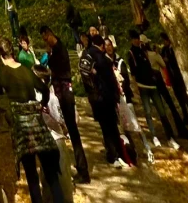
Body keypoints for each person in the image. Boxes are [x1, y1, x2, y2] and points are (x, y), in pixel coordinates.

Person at [0, 39, 63, 203]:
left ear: (0, 55)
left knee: (32, 176)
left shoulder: (3, 72)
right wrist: (42, 104)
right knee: (51, 173)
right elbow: (44, 89)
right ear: (12, 52)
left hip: (22, 129)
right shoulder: (25, 70)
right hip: (37, 124)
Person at [40, 27, 89, 183]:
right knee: (71, 132)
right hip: (62, 93)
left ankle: (83, 171)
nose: (45, 41)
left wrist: (48, 54)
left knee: (73, 133)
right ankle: (81, 167)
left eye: (45, 38)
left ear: (50, 34)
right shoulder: (57, 48)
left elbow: (57, 70)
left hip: (65, 94)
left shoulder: (59, 50)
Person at [80, 31, 126, 167]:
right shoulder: (104, 59)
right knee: (113, 127)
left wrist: (93, 94)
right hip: (108, 98)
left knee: (105, 128)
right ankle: (120, 154)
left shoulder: (87, 57)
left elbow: (85, 77)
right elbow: (111, 80)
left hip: (97, 99)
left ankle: (113, 156)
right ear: (102, 46)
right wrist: (115, 96)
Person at [127, 31, 179, 149]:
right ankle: (154, 136)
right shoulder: (131, 53)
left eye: (137, 39)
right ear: (131, 40)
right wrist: (135, 88)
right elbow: (133, 72)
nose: (136, 41)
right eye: (134, 39)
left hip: (153, 84)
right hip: (142, 86)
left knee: (162, 111)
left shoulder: (144, 51)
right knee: (148, 112)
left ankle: (170, 136)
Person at [158, 33, 188, 129]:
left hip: (180, 76)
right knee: (179, 98)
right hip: (172, 77)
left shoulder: (175, 49)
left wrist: (168, 60)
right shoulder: (164, 50)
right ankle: (186, 116)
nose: (164, 42)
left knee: (186, 98)